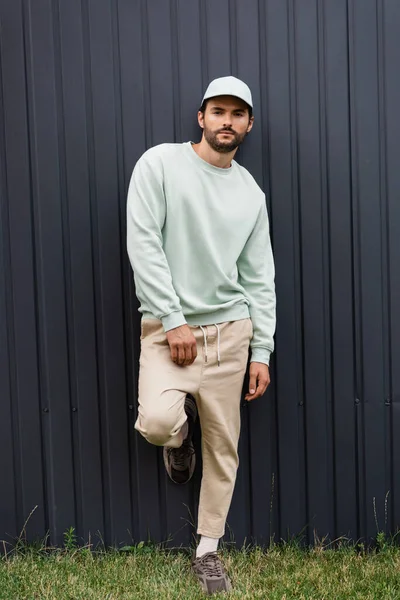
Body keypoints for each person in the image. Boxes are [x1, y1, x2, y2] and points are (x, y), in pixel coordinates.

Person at [126, 75, 276, 595]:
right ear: (201, 117)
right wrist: (172, 319)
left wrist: (262, 350)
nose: (227, 121)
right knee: (157, 422)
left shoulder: (250, 193)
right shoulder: (160, 164)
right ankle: (179, 439)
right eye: (218, 111)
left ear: (248, 125)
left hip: (231, 333)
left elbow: (259, 278)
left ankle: (207, 551)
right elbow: (143, 243)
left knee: (225, 446)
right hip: (170, 334)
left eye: (237, 114)